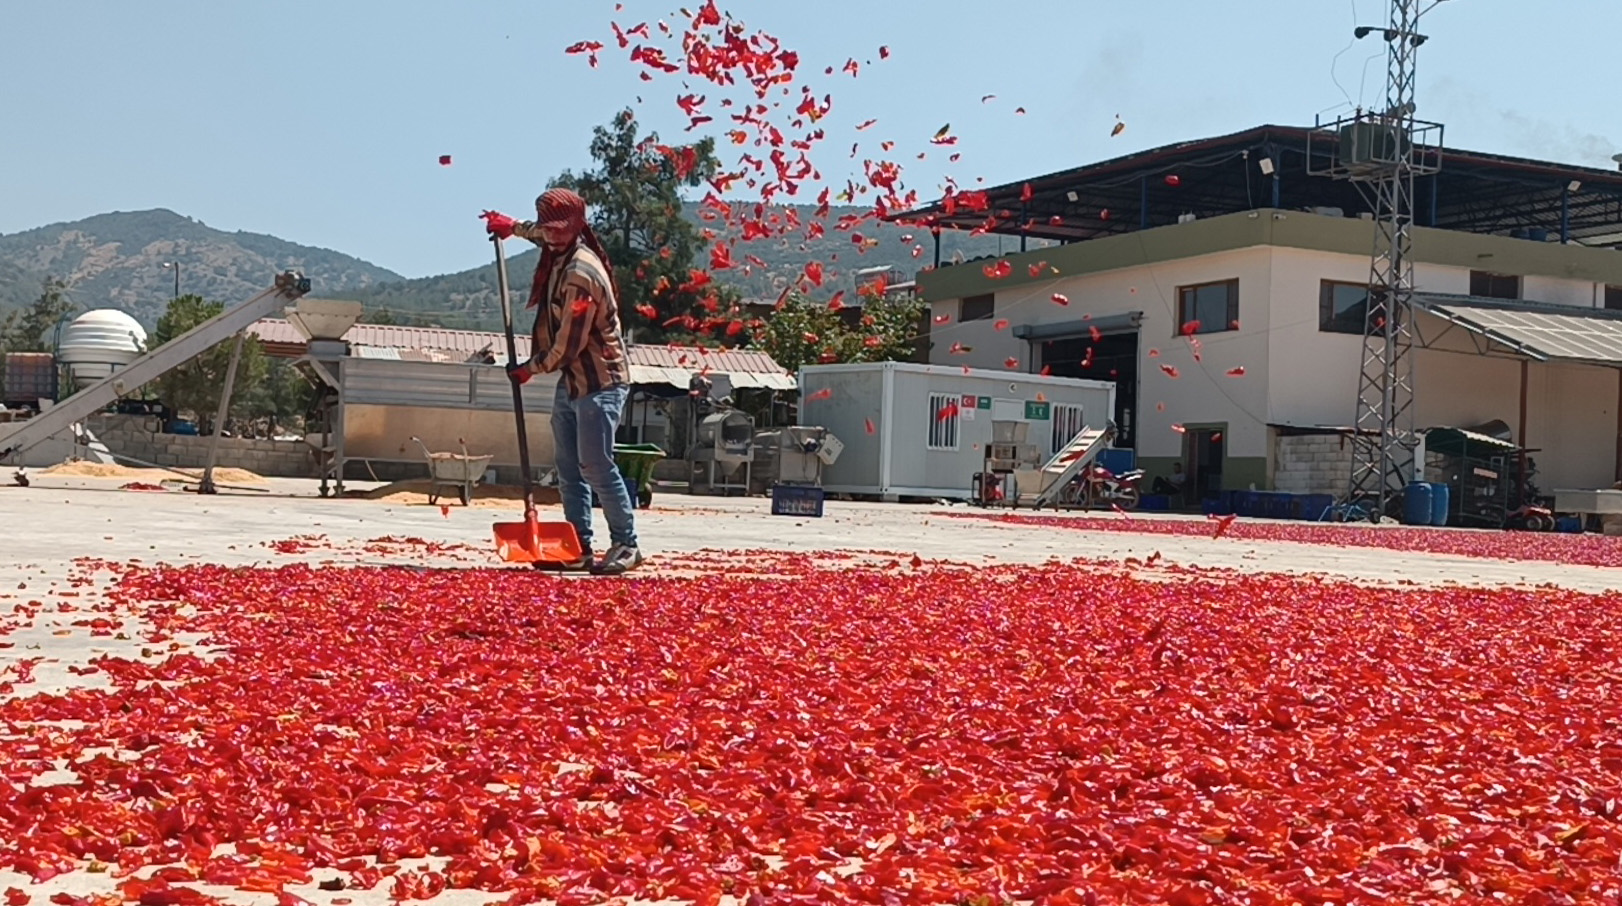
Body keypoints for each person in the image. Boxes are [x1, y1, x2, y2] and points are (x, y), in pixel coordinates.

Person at [482, 189, 642, 575]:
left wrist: (528, 369)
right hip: (572, 383)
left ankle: (626, 544)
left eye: (558, 229)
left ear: (575, 227)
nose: (551, 236)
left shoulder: (580, 274)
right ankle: (578, 544)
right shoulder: (557, 247)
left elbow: (567, 346)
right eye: (547, 229)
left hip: (600, 381)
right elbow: (539, 232)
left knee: (595, 464)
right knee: (568, 467)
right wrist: (511, 227)